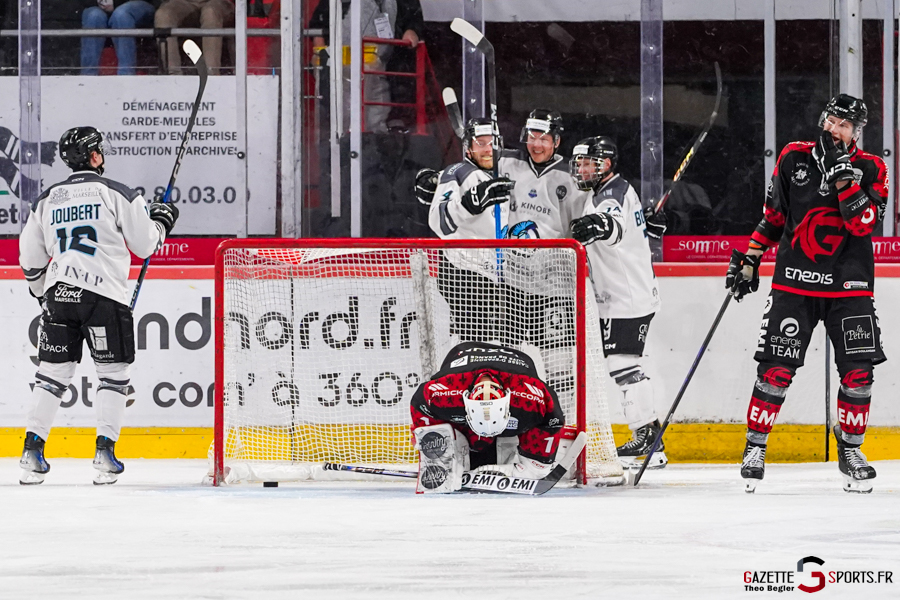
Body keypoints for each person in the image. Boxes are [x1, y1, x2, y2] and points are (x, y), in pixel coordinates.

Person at [726, 94, 887, 494]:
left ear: (856, 132)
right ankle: (755, 448)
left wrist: (844, 177)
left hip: (850, 287)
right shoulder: (793, 158)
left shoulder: (872, 168)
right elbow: (774, 217)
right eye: (832, 121)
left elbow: (862, 224)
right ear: (823, 119)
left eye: (845, 125)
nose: (835, 129)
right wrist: (750, 258)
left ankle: (850, 450)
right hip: (794, 284)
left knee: (858, 375)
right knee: (775, 370)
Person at [18, 126, 179, 485]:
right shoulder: (117, 192)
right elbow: (146, 243)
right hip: (104, 296)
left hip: (60, 296)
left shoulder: (46, 200)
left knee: (51, 376)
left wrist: (44, 293)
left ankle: (31, 453)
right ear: (94, 156)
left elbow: (30, 258)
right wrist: (163, 219)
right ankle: (104, 456)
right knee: (114, 377)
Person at [568, 136, 666, 470]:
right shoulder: (605, 191)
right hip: (622, 294)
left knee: (622, 365)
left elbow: (613, 225)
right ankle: (650, 439)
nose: (581, 169)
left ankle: (647, 439)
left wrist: (599, 225)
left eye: (587, 164)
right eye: (579, 163)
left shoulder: (611, 194)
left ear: (605, 164)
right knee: (621, 364)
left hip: (628, 297)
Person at [409, 341, 565, 493]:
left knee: (536, 472)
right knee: (445, 456)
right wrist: (428, 439)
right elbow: (419, 403)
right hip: (461, 359)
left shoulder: (530, 397)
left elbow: (553, 419)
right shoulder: (445, 393)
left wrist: (535, 466)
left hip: (518, 369)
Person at [427, 117, 514, 342]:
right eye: (480, 143)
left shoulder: (506, 172)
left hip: (499, 275)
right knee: (477, 344)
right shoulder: (458, 172)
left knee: (499, 345)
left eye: (491, 143)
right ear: (468, 148)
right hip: (464, 273)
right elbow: (438, 220)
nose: (487, 149)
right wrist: (468, 204)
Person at [310, 0, 424, 133]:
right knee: (342, 115)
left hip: (382, 66)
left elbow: (414, 16)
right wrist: (323, 56)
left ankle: (373, 142)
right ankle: (345, 142)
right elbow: (318, 24)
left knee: (376, 111)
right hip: (341, 66)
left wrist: (412, 30)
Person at [155, 0, 235, 75]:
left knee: (210, 12)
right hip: (183, 2)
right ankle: (173, 76)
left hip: (219, 2)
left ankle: (211, 75)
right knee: (163, 14)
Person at [81, 1, 159, 75]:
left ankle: (126, 75)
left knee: (121, 15)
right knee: (94, 16)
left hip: (137, 4)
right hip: (97, 5)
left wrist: (115, 3)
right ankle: (88, 77)